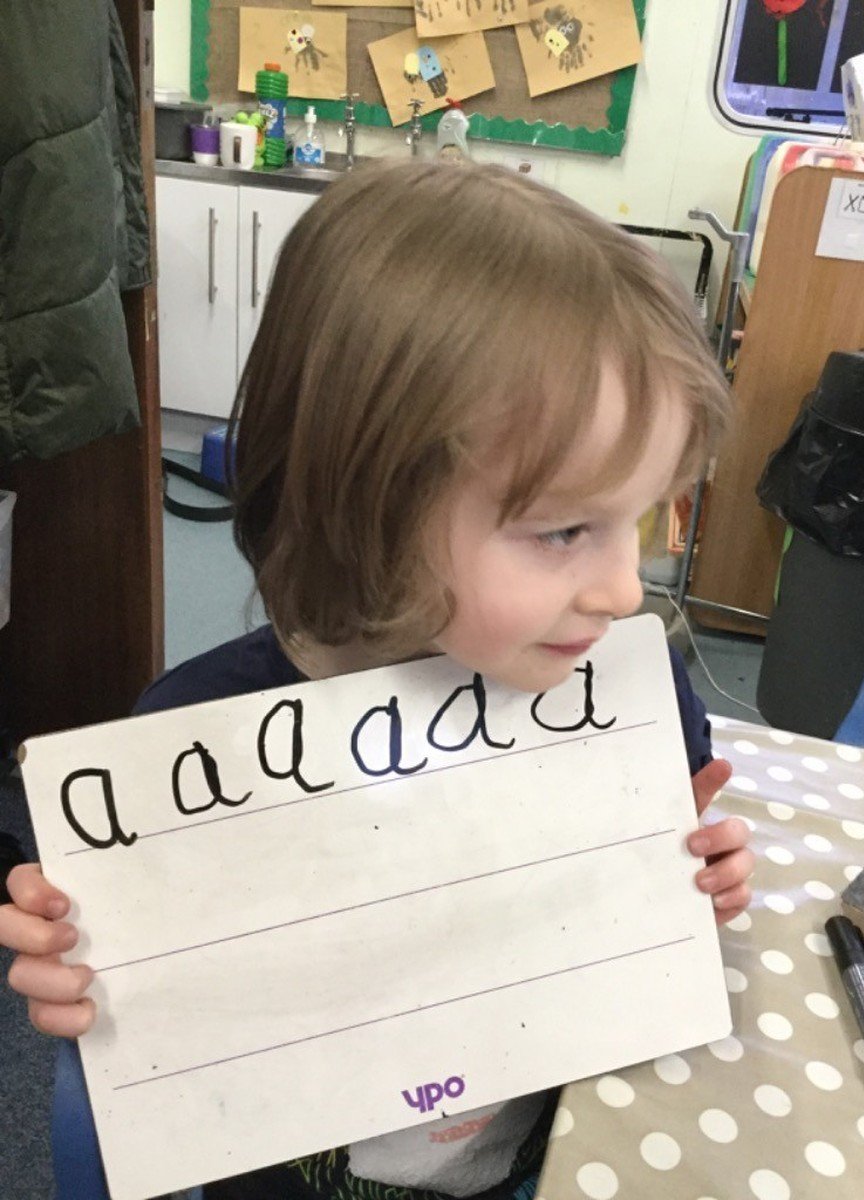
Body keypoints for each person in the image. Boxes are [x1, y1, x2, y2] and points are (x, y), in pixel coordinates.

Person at [0, 160, 753, 1200]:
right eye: (565, 530)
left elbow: (664, 874)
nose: (624, 590)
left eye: (646, 519)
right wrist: (85, 968)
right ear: (370, 497)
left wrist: (699, 878)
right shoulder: (191, 745)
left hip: (543, 1153)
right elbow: (143, 1002)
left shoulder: (626, 693)